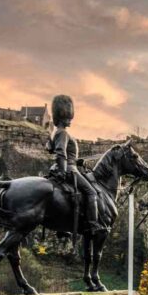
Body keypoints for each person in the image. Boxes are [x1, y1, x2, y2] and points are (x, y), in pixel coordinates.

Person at [46, 94, 105, 233]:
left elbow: (56, 150)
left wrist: (77, 161)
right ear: (62, 118)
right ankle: (92, 224)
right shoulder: (63, 133)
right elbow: (60, 152)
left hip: (69, 166)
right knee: (91, 193)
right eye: (68, 118)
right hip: (69, 169)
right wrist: (63, 171)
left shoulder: (57, 132)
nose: (70, 121)